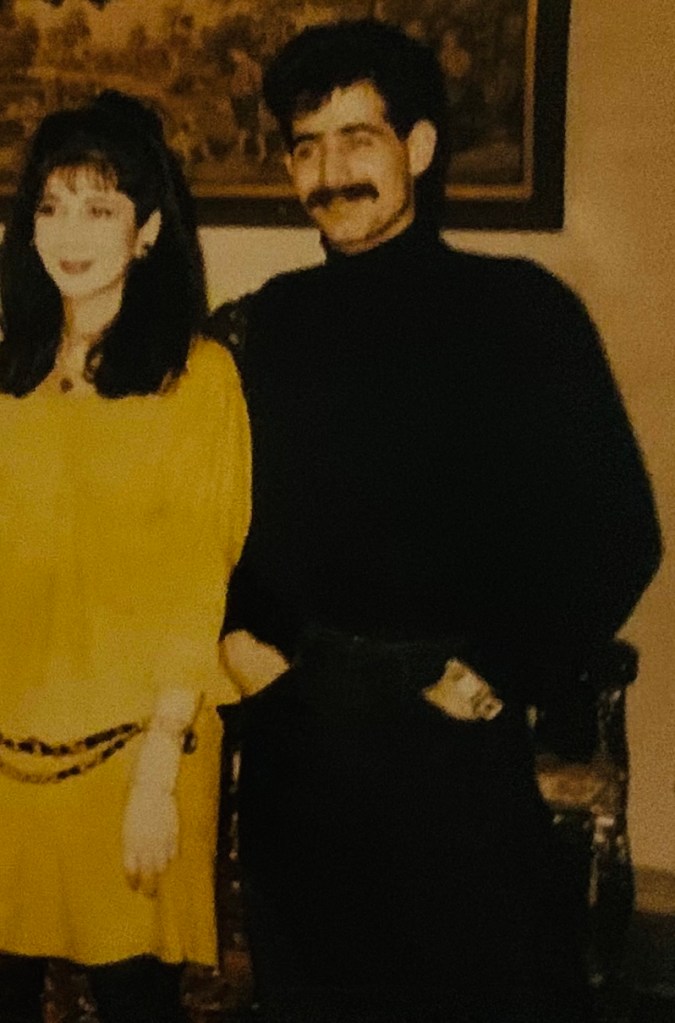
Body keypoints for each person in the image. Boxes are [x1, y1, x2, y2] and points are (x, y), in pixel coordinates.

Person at [211, 19, 661, 1023]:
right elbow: (214, 512)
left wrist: (500, 667)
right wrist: (242, 637)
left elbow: (616, 530)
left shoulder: (520, 313)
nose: (330, 172)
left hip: (449, 744)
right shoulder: (266, 324)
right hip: (297, 735)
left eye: (357, 139)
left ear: (417, 147)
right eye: (306, 146)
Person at [0, 91, 250, 1023]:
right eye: (51, 206)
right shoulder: (8, 372)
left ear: (146, 230)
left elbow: (197, 585)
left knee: (133, 998)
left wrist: (155, 778)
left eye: (99, 207)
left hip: (138, 755)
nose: (70, 232)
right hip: (8, 755)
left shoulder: (198, 378)